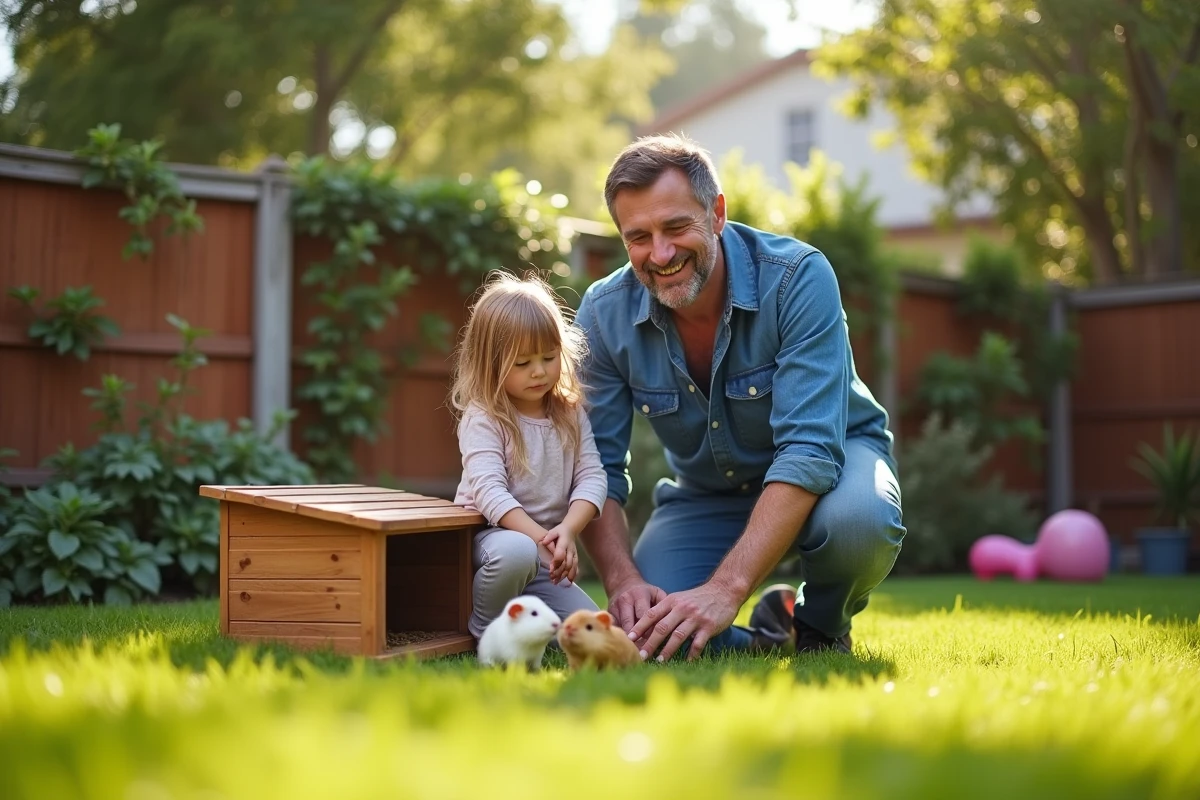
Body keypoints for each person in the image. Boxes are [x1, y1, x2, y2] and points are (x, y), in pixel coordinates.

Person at [572, 133, 906, 662]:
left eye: (677, 227)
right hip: (708, 493)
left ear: (717, 213)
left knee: (860, 522)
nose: (660, 254)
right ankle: (773, 631)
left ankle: (819, 625)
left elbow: (810, 452)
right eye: (639, 237)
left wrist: (727, 588)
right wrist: (623, 581)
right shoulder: (603, 312)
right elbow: (595, 467)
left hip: (834, 466)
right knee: (654, 630)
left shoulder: (799, 277)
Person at [450, 271, 608, 641]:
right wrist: (544, 541)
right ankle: (486, 634)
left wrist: (567, 532)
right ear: (490, 363)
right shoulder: (484, 416)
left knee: (594, 634)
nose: (539, 372)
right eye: (522, 363)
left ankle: (525, 623)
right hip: (491, 546)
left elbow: (593, 476)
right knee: (517, 551)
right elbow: (490, 494)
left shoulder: (569, 413)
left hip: (544, 555)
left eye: (549, 357)